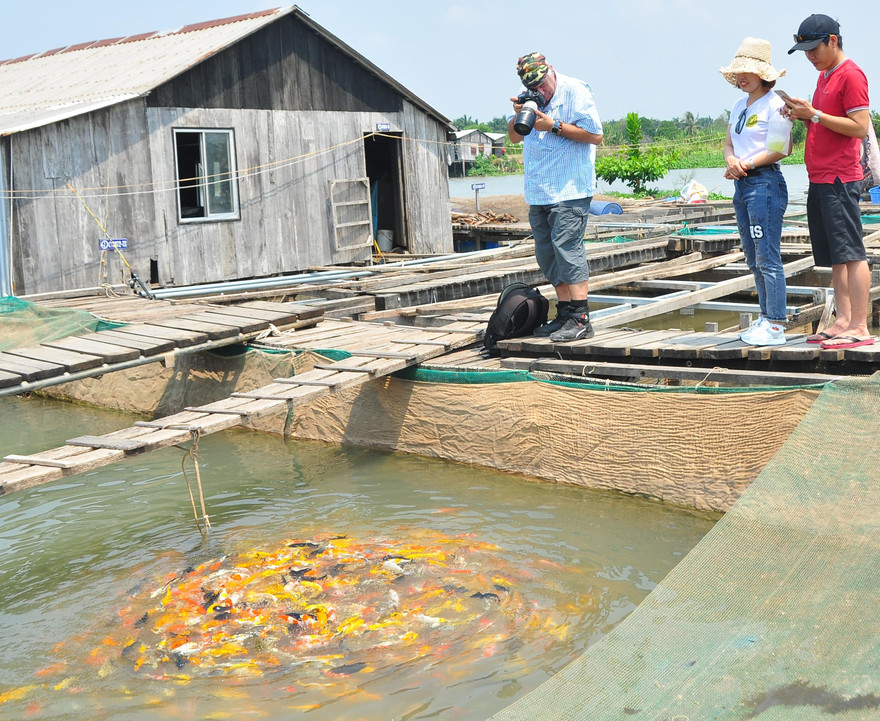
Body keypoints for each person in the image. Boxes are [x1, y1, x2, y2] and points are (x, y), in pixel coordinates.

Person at [784, 14, 873, 349]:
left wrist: (816, 115)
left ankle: (860, 326)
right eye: (805, 50)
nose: (810, 56)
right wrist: (804, 116)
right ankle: (843, 321)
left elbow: (860, 127)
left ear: (832, 40)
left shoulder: (851, 74)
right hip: (819, 176)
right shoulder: (824, 76)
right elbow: (826, 125)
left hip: (840, 177)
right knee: (836, 255)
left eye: (814, 48)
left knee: (852, 253)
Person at [508, 53, 603, 341]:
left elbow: (595, 135)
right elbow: (514, 137)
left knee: (567, 250)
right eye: (534, 87)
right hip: (539, 192)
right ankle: (565, 314)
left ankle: (581, 318)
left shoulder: (575, 91)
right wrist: (518, 113)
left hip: (570, 190)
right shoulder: (529, 96)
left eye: (543, 84)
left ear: (551, 70)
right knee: (547, 255)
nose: (541, 90)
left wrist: (554, 126)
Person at [720, 38, 792, 346]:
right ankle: (765, 317)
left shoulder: (776, 104)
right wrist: (731, 161)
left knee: (767, 255)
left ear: (763, 74)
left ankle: (776, 324)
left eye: (748, 71)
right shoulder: (740, 106)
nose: (742, 76)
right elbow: (728, 144)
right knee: (752, 256)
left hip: (765, 184)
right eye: (739, 71)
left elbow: (782, 149)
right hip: (742, 185)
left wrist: (745, 163)